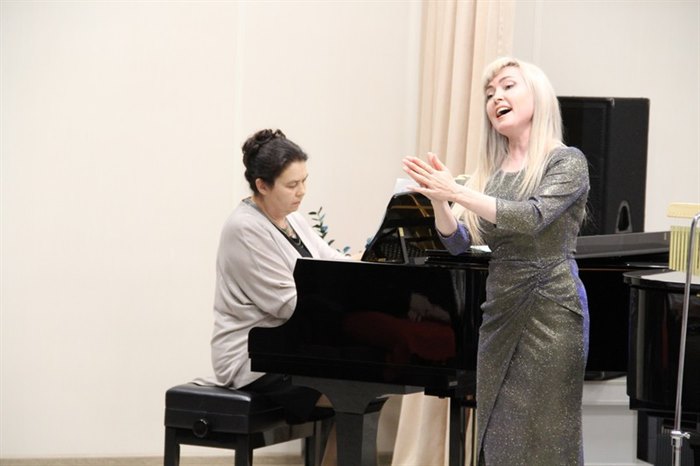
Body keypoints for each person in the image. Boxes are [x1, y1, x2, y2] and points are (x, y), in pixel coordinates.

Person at [400, 57, 590, 465]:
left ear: (536, 94)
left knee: (547, 434)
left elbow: (533, 217)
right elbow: (459, 243)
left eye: (507, 86)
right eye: (489, 94)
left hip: (552, 311)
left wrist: (457, 191)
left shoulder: (566, 162)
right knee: (499, 433)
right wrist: (440, 201)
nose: (496, 98)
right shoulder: (491, 172)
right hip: (499, 310)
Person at [210, 128, 348, 426]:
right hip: (253, 358)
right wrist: (349, 310)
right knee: (352, 395)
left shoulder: (292, 219)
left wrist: (370, 265)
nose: (302, 191)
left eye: (304, 181)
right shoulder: (244, 228)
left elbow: (331, 260)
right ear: (262, 185)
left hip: (288, 347)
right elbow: (288, 306)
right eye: (292, 185)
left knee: (364, 393)